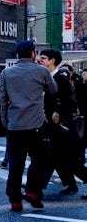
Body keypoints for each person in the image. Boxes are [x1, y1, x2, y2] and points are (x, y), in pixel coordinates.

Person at [0, 40, 56, 211]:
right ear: (33, 53)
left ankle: (15, 199)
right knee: (40, 160)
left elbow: (1, 99)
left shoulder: (7, 73)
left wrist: (5, 121)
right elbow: (53, 89)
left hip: (15, 124)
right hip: (37, 122)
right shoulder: (42, 71)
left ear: (17, 54)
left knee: (16, 164)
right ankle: (32, 190)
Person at [37, 49, 87, 195]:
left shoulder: (60, 78)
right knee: (56, 158)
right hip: (50, 125)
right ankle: (69, 185)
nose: (40, 60)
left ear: (52, 61)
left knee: (67, 159)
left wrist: (58, 111)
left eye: (44, 58)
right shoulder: (46, 77)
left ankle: (37, 187)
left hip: (61, 126)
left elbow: (71, 101)